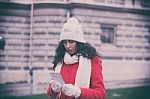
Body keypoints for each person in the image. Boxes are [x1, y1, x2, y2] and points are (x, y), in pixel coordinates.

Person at [47, 17, 106, 99]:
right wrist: (53, 90)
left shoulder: (92, 60)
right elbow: (50, 93)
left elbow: (100, 94)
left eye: (71, 42)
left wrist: (78, 92)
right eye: (65, 42)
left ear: (79, 43)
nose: (67, 46)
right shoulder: (60, 61)